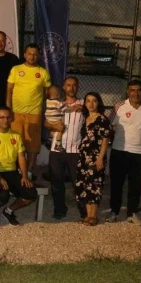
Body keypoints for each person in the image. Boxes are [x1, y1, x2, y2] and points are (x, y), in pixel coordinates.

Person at [107, 79, 141, 226]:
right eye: (132, 90)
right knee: (116, 184)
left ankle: (132, 213)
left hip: (140, 154)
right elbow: (109, 127)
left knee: (136, 185)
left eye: (139, 90)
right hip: (119, 152)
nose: (136, 93)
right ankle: (114, 212)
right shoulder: (119, 107)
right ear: (128, 91)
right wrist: (118, 140)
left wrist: (140, 140)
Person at [0, 106, 38, 227]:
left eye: (8, 117)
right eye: (2, 117)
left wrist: (24, 176)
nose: (5, 120)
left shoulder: (16, 136)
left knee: (31, 193)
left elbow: (21, 157)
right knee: (3, 195)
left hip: (12, 171)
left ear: (11, 119)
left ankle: (8, 211)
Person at [6, 43, 51, 178]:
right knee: (15, 142)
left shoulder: (43, 72)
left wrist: (37, 106)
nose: (32, 56)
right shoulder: (16, 69)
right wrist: (8, 110)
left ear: (39, 56)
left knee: (32, 144)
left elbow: (46, 93)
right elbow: (9, 90)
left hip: (34, 113)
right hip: (16, 113)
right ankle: (15, 170)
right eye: (29, 53)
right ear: (25, 55)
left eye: (35, 54)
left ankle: (30, 171)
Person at [46, 77, 84, 220]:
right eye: (68, 85)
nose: (71, 88)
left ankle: (84, 210)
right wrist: (53, 126)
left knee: (78, 182)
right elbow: (46, 123)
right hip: (57, 150)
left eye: (74, 85)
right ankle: (59, 209)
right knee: (57, 182)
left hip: (76, 150)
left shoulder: (83, 104)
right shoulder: (56, 103)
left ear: (78, 87)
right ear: (63, 87)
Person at [75, 93, 111, 226]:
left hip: (96, 157)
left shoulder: (102, 119)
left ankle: (93, 216)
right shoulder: (86, 118)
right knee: (85, 185)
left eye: (94, 101)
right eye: (88, 101)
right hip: (84, 157)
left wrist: (100, 158)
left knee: (94, 185)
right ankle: (88, 215)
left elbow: (105, 140)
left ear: (98, 103)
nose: (91, 104)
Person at [44, 85, 66, 152]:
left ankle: (50, 139)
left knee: (52, 130)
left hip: (49, 119)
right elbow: (64, 108)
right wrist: (73, 108)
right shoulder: (58, 102)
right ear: (57, 94)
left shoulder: (47, 101)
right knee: (60, 130)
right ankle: (58, 145)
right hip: (56, 120)